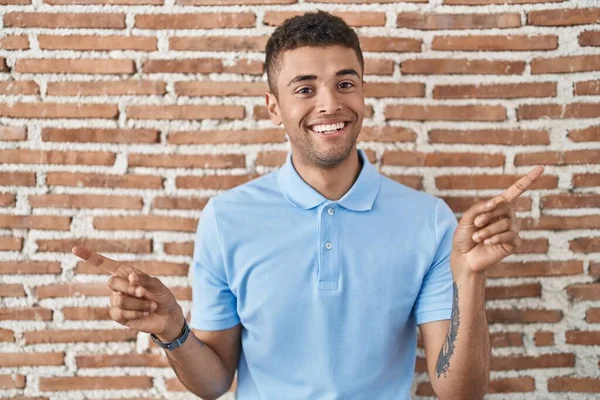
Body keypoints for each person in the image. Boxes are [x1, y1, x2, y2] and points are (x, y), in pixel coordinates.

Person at [72, 11, 544, 400]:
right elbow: (214, 382)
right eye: (304, 89)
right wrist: (174, 330)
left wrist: (470, 277)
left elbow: (459, 394)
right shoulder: (225, 218)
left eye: (345, 83)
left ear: (363, 91)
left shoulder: (429, 219)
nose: (329, 104)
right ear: (274, 107)